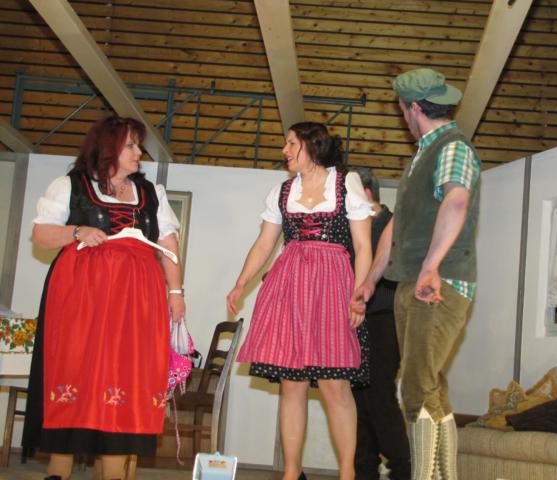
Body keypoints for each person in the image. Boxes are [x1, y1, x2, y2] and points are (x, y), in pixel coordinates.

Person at [22, 115, 186, 480]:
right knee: (73, 367)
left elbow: (168, 244)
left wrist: (176, 293)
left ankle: (113, 474)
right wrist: (77, 231)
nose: (138, 152)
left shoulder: (151, 193)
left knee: (127, 373)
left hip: (137, 297)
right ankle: (58, 472)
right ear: (108, 148)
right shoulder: (71, 185)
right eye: (130, 145)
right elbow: (41, 234)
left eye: (138, 145)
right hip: (80, 296)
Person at [352, 68, 481, 480]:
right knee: (431, 385)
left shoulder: (452, 147)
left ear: (411, 108)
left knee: (416, 389)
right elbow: (397, 226)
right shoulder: (422, 156)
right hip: (411, 283)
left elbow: (456, 202)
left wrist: (430, 267)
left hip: (438, 284)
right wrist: (371, 280)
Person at [226, 122, 372, 480]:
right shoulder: (282, 191)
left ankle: (347, 473)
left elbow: (363, 245)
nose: (284, 150)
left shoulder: (346, 184)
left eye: (291, 143)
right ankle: (291, 473)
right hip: (290, 286)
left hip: (333, 286)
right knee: (292, 383)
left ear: (312, 145)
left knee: (334, 385)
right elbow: (265, 243)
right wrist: (241, 283)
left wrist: (359, 295)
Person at [350, 167, 410, 480]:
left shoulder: (394, 225)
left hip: (387, 319)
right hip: (356, 321)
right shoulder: (352, 227)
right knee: (358, 398)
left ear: (366, 193)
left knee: (379, 394)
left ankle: (403, 469)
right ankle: (364, 472)